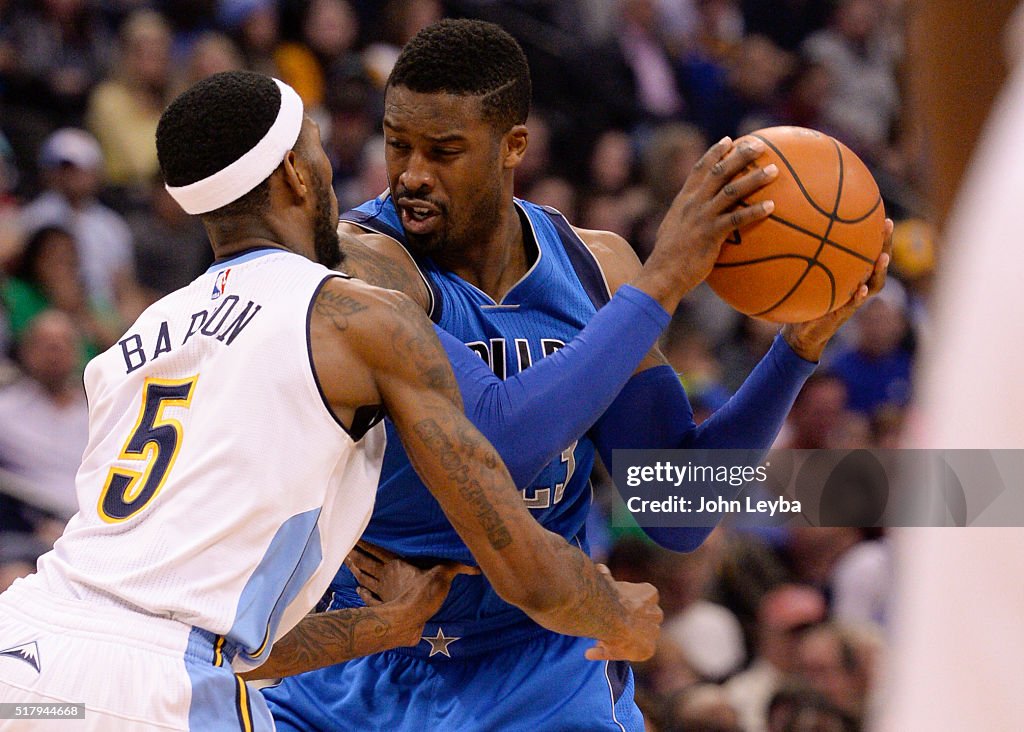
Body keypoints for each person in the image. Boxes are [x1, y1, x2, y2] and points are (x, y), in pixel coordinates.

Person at [265, 19, 891, 732]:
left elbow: (676, 512)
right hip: (364, 665)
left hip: (543, 659)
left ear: (513, 147)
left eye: (443, 151)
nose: (411, 173)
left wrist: (796, 350)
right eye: (397, 143)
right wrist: (657, 289)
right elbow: (496, 446)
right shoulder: (358, 268)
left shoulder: (596, 269)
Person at [0, 71, 664, 730]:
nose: (396, 176)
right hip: (167, 689)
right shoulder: (356, 303)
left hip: (26, 654)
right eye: (324, 147)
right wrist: (669, 276)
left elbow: (681, 503)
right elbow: (509, 449)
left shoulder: (141, 334)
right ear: (294, 172)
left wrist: (385, 626)